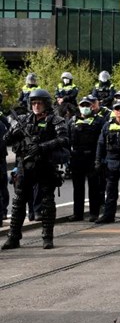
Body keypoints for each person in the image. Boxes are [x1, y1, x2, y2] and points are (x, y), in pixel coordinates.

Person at [2, 89, 68, 250]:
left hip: (45, 165)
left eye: (39, 103)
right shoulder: (23, 120)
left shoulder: (56, 120)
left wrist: (42, 147)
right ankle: (13, 237)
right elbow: (6, 139)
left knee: (47, 202)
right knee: (18, 202)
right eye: (33, 103)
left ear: (46, 104)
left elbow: (64, 139)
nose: (36, 106)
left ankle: (47, 237)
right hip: (25, 166)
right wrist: (14, 131)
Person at [67, 95, 106, 222]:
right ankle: (77, 214)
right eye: (82, 105)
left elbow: (103, 141)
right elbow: (67, 140)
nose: (84, 107)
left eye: (87, 105)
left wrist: (100, 159)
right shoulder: (72, 121)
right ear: (79, 107)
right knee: (78, 188)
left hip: (92, 157)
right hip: (76, 157)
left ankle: (94, 213)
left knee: (94, 187)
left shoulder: (99, 121)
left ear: (91, 107)